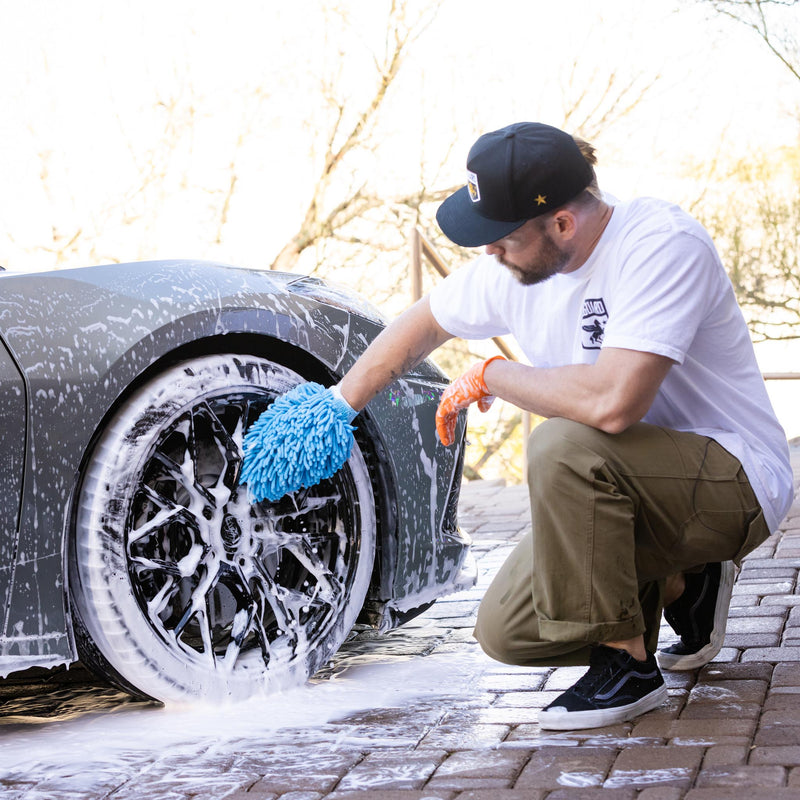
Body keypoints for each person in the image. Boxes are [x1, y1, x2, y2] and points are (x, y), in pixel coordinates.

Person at [334, 121, 794, 730]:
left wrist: (493, 376)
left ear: (561, 223)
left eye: (500, 238)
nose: (489, 252)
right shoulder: (520, 265)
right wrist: (337, 406)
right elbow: (422, 323)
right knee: (507, 630)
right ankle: (689, 586)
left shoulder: (660, 244)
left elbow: (612, 404)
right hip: (627, 484)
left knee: (561, 440)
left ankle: (625, 666)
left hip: (735, 477)